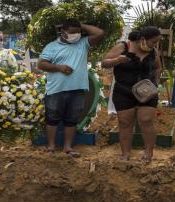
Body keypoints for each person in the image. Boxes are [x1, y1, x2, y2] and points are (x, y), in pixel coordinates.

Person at [37, 19, 104, 157]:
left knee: (72, 119)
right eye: (72, 32)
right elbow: (41, 64)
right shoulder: (51, 47)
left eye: (78, 32)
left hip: (77, 89)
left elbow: (100, 33)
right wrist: (58, 67)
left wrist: (82, 25)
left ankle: (68, 148)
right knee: (52, 119)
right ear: (63, 31)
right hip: (56, 89)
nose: (76, 35)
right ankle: (51, 147)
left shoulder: (83, 43)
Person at [101, 26, 162, 163]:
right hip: (124, 90)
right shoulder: (123, 47)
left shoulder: (153, 51)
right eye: (153, 41)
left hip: (147, 91)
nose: (155, 45)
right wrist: (117, 60)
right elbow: (104, 63)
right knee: (125, 123)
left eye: (157, 42)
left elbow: (158, 67)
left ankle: (148, 153)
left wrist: (156, 83)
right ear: (142, 39)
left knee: (146, 121)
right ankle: (125, 154)